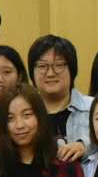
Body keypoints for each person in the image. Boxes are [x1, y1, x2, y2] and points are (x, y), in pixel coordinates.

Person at [27, 34, 90, 162]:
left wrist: (84, 145)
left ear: (72, 69)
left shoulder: (94, 108)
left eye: (59, 65)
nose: (50, 73)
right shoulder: (23, 112)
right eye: (42, 66)